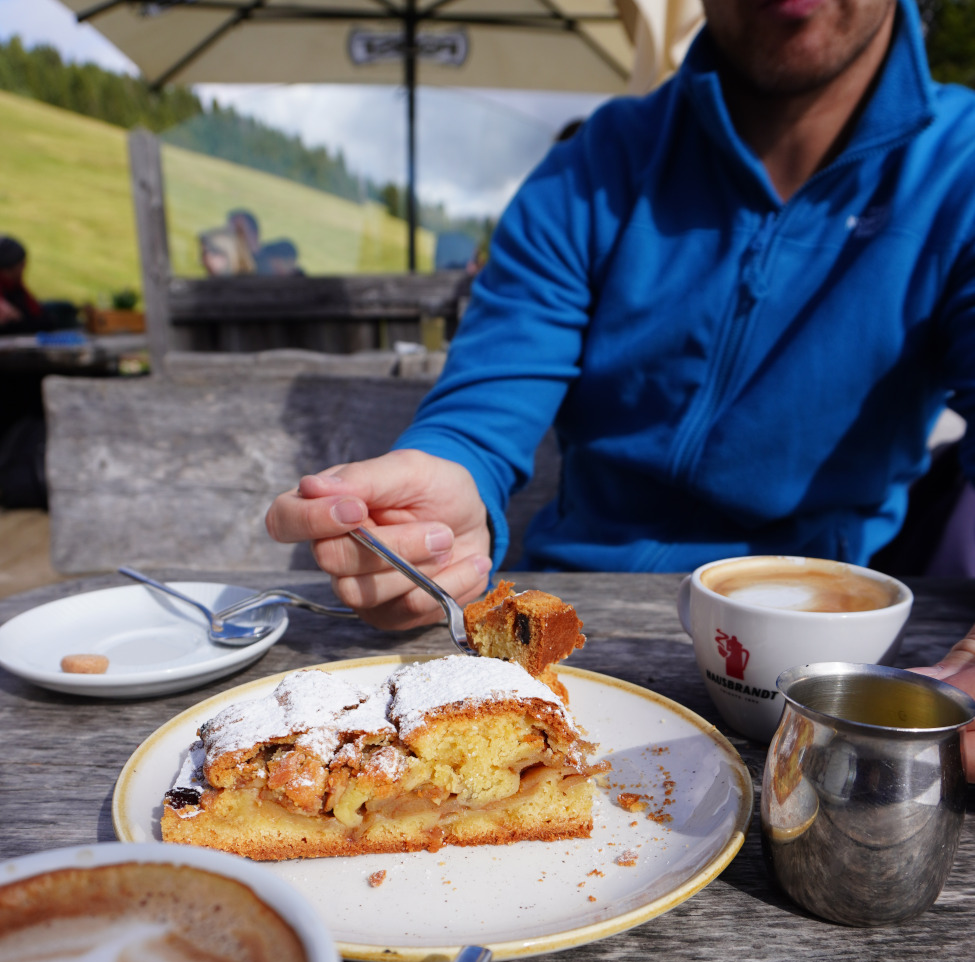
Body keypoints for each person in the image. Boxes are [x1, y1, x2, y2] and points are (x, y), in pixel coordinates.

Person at [266, 0, 975, 771]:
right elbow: (485, 404)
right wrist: (442, 498)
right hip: (576, 629)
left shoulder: (959, 169)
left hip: (821, 663)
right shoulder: (591, 167)